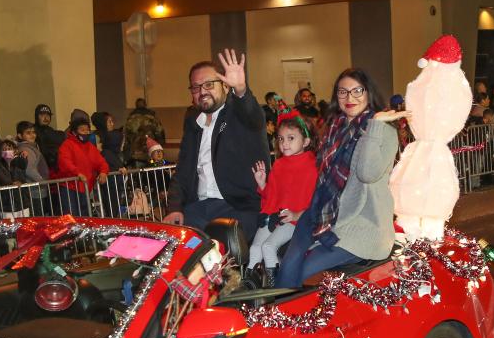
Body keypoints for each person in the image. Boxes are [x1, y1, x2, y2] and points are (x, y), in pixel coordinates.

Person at [275, 68, 406, 288]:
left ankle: (290, 317)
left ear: (368, 93)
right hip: (324, 213)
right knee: (289, 263)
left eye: (357, 91)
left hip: (362, 223)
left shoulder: (383, 130)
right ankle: (275, 318)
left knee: (305, 270)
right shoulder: (336, 126)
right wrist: (303, 211)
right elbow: (324, 180)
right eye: (342, 92)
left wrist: (373, 125)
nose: (350, 98)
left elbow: (367, 173)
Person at [162, 49, 268, 241]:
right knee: (176, 249)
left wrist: (241, 89)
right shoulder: (194, 123)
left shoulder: (238, 115)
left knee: (217, 258)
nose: (202, 91)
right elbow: (183, 171)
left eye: (209, 84)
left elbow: (253, 116)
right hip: (198, 208)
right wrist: (174, 208)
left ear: (225, 86)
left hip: (237, 206)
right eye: (196, 87)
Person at [247, 110, 317, 287]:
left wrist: (296, 214)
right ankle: (249, 285)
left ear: (306, 141)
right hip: (274, 216)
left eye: (291, 138)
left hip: (294, 220)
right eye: (281, 139)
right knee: (255, 248)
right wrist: (262, 184)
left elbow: (314, 201)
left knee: (268, 247)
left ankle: (275, 287)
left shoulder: (312, 167)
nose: (284, 143)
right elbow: (272, 196)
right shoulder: (278, 164)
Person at [57, 112, 109, 216]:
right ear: (75, 132)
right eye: (82, 130)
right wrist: (77, 173)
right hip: (70, 187)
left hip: (85, 187)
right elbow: (65, 162)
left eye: (87, 130)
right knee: (72, 217)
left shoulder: (90, 146)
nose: (86, 132)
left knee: (85, 216)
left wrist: (103, 172)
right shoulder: (67, 145)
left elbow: (101, 162)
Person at [16, 121, 51, 216]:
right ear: (20, 135)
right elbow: (29, 169)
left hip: (37, 190)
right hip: (35, 191)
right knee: (38, 218)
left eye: (33, 132)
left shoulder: (32, 147)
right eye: (28, 133)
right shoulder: (26, 149)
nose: (32, 135)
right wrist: (42, 181)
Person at [123, 98, 166, 166]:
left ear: (136, 106)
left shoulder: (130, 119)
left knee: (138, 174)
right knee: (153, 172)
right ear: (145, 105)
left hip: (136, 153)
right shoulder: (153, 118)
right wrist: (160, 147)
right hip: (152, 151)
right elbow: (160, 133)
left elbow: (126, 136)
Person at [33, 104, 65, 171]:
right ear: (37, 117)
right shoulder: (32, 132)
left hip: (54, 169)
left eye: (48, 115)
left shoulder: (53, 132)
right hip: (39, 168)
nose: (45, 117)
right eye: (42, 115)